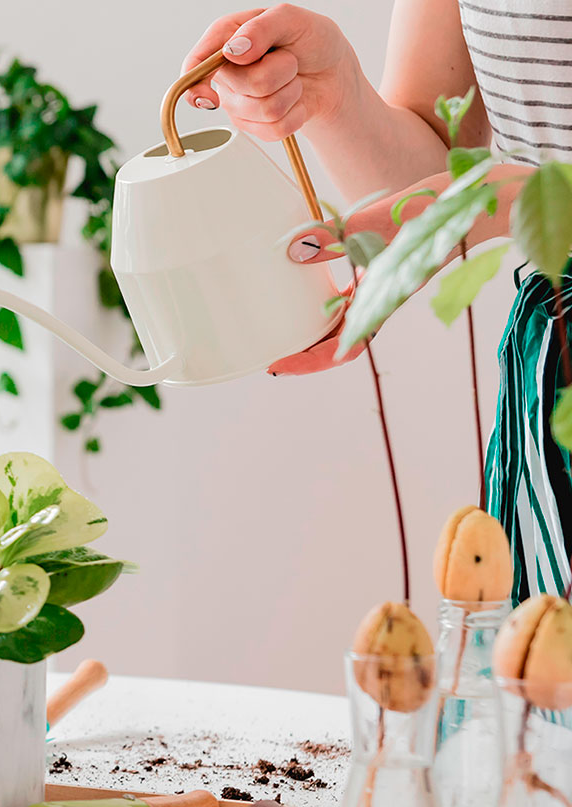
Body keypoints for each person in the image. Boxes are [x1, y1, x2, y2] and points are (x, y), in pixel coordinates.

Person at [183, 2, 572, 604]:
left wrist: (526, 197)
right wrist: (336, 97)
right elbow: (439, 170)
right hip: (552, 380)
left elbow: (492, 195)